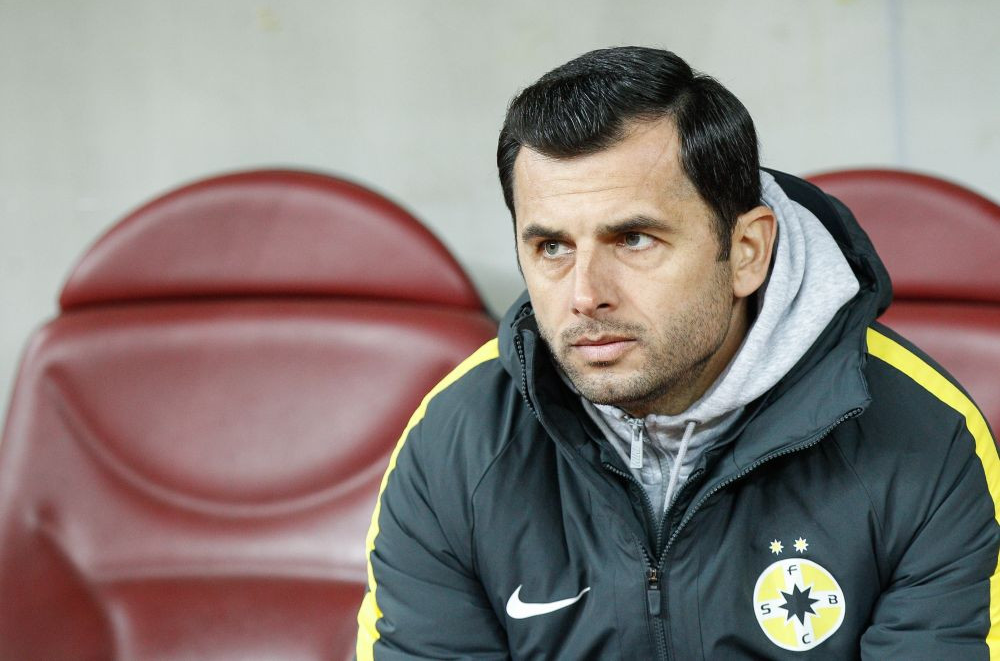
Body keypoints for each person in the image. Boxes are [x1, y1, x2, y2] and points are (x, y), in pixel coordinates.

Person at [355, 46, 1000, 659]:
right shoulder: (456, 440)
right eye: (552, 247)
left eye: (634, 239)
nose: (585, 295)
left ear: (746, 251)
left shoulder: (929, 438)